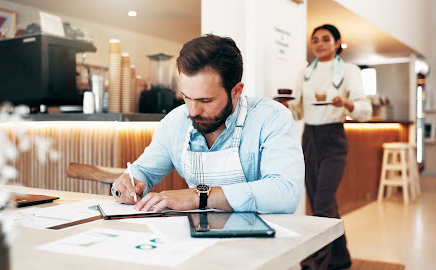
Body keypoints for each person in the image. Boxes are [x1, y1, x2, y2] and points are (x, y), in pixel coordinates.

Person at [111, 34, 304, 215]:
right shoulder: (175, 122)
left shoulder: (271, 117)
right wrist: (126, 185)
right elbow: (143, 172)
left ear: (236, 91)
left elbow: (286, 192)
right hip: (196, 236)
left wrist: (201, 195)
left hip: (260, 242)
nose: (193, 111)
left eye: (205, 101)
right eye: (187, 97)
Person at [282, 24, 372, 270]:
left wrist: (347, 103)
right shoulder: (305, 74)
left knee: (322, 203)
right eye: (315, 40)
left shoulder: (350, 71)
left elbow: (365, 109)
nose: (319, 44)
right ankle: (340, 258)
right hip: (309, 138)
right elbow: (299, 110)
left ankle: (317, 263)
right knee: (321, 202)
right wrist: (283, 105)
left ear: (337, 42)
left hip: (334, 138)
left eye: (325, 39)